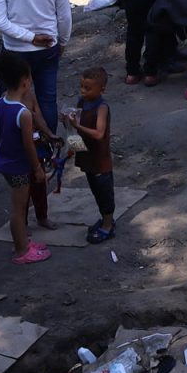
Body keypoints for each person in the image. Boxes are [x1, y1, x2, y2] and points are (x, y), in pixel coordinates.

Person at [0, 52, 52, 265]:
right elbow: (28, 144)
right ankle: (22, 250)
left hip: (5, 161)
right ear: (25, 82)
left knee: (19, 206)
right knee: (18, 210)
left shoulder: (0, 103)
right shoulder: (23, 113)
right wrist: (36, 168)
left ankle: (23, 242)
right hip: (18, 166)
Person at [64, 67, 115, 244]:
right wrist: (67, 121)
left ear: (101, 89)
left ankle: (108, 225)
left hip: (100, 158)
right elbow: (76, 124)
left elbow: (99, 134)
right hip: (87, 154)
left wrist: (77, 126)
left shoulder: (102, 108)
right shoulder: (81, 102)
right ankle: (104, 218)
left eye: (87, 88)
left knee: (104, 191)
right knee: (95, 189)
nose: (83, 91)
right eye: (82, 87)